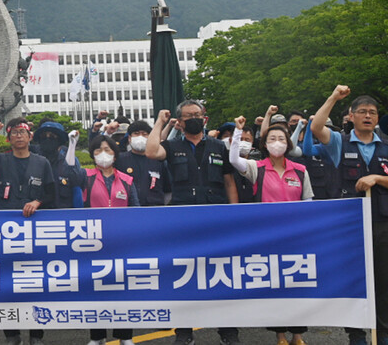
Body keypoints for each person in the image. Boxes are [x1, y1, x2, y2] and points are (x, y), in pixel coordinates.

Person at [145, 100, 239, 345]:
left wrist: (235, 214)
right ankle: (184, 332)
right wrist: (160, 122)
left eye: (198, 114)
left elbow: (229, 182)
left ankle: (229, 332)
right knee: (184, 274)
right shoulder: (172, 145)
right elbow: (151, 151)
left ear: (204, 117)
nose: (194, 118)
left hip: (216, 216)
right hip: (183, 218)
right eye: (189, 116)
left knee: (221, 274)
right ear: (181, 121)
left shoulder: (220, 146)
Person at [310, 86, 387, 345]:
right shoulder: (339, 142)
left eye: (373, 113)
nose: (368, 116)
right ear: (351, 116)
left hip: (382, 223)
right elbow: (317, 128)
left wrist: (377, 178)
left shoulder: (386, 145)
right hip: (350, 223)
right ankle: (356, 335)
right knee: (352, 278)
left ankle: (382, 333)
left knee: (383, 280)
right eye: (362, 111)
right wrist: (332, 97)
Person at [228, 117, 311, 345]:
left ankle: (298, 334)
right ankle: (280, 334)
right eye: (272, 138)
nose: (277, 142)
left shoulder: (301, 170)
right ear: (264, 144)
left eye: (281, 138)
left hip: (296, 237)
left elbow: (309, 203)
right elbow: (233, 159)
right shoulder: (257, 168)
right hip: (269, 237)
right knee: (276, 285)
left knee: (297, 284)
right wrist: (238, 131)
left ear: (288, 143)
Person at [0, 118, 54, 345]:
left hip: (34, 231)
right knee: (7, 284)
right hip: (5, 232)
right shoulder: (1, 160)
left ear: (30, 137)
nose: (19, 136)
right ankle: (12, 334)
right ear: (8, 139)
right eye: (14, 133)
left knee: (35, 285)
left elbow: (51, 193)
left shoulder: (42, 162)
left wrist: (38, 201)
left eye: (23, 132)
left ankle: (36, 334)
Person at [65, 133, 137, 345]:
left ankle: (125, 336)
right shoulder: (86, 176)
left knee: (123, 288)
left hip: (121, 242)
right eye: (98, 151)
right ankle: (97, 337)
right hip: (94, 242)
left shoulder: (126, 179)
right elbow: (70, 170)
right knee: (96, 289)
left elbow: (137, 210)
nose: (103, 154)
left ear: (115, 155)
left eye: (107, 150)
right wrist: (72, 144)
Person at [115, 120, 171, 206]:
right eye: (136, 134)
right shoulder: (119, 160)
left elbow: (168, 189)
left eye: (145, 134)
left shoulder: (159, 160)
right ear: (129, 138)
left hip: (154, 209)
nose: (140, 137)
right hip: (127, 209)